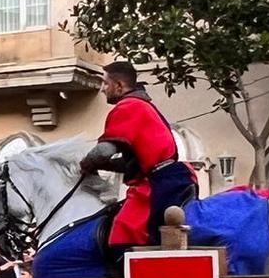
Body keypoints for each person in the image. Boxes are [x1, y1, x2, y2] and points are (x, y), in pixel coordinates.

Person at [79, 60, 194, 257]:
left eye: (106, 84)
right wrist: (108, 165)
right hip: (169, 176)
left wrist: (84, 164)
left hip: (160, 183)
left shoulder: (128, 107)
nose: (103, 90)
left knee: (124, 233)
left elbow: (103, 151)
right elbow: (134, 162)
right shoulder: (143, 105)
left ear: (119, 86)